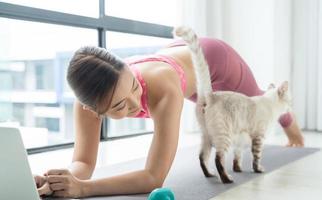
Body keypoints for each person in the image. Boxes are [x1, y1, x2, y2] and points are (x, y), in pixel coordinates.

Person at [35, 36, 304, 198]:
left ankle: (292, 126)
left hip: (214, 59)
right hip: (180, 62)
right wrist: (60, 180)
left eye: (133, 86)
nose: (134, 103)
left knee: (258, 102)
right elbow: (82, 162)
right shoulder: (86, 105)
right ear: (93, 110)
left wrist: (83, 189)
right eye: (119, 105)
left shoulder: (162, 88)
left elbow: (154, 177)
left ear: (128, 68)